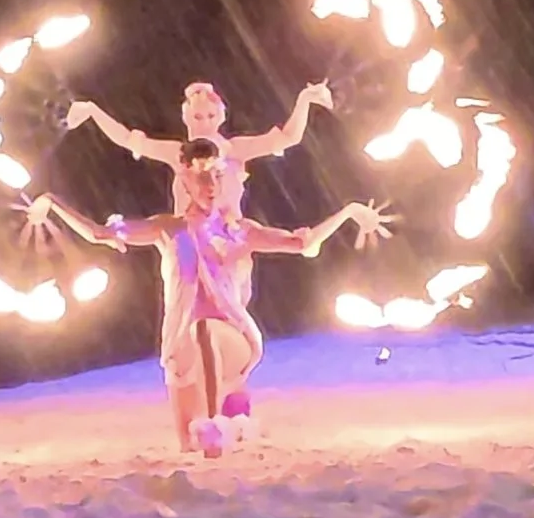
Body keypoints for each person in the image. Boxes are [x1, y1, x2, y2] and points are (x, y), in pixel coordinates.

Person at [24, 142, 391, 456]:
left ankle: (220, 418)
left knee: (207, 333)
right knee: (188, 443)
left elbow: (302, 243)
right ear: (185, 180)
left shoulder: (240, 231)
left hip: (230, 336)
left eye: (215, 176)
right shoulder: (168, 229)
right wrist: (52, 203)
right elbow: (99, 233)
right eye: (201, 177)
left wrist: (349, 212)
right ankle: (229, 420)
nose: (210, 184)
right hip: (180, 344)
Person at [64, 75, 333, 211]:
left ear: (221, 117)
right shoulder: (177, 152)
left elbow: (288, 137)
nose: (204, 121)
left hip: (229, 238)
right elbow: (125, 138)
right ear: (185, 117)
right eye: (197, 116)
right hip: (187, 236)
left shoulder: (234, 149)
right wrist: (91, 110)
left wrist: (305, 100)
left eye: (210, 116)